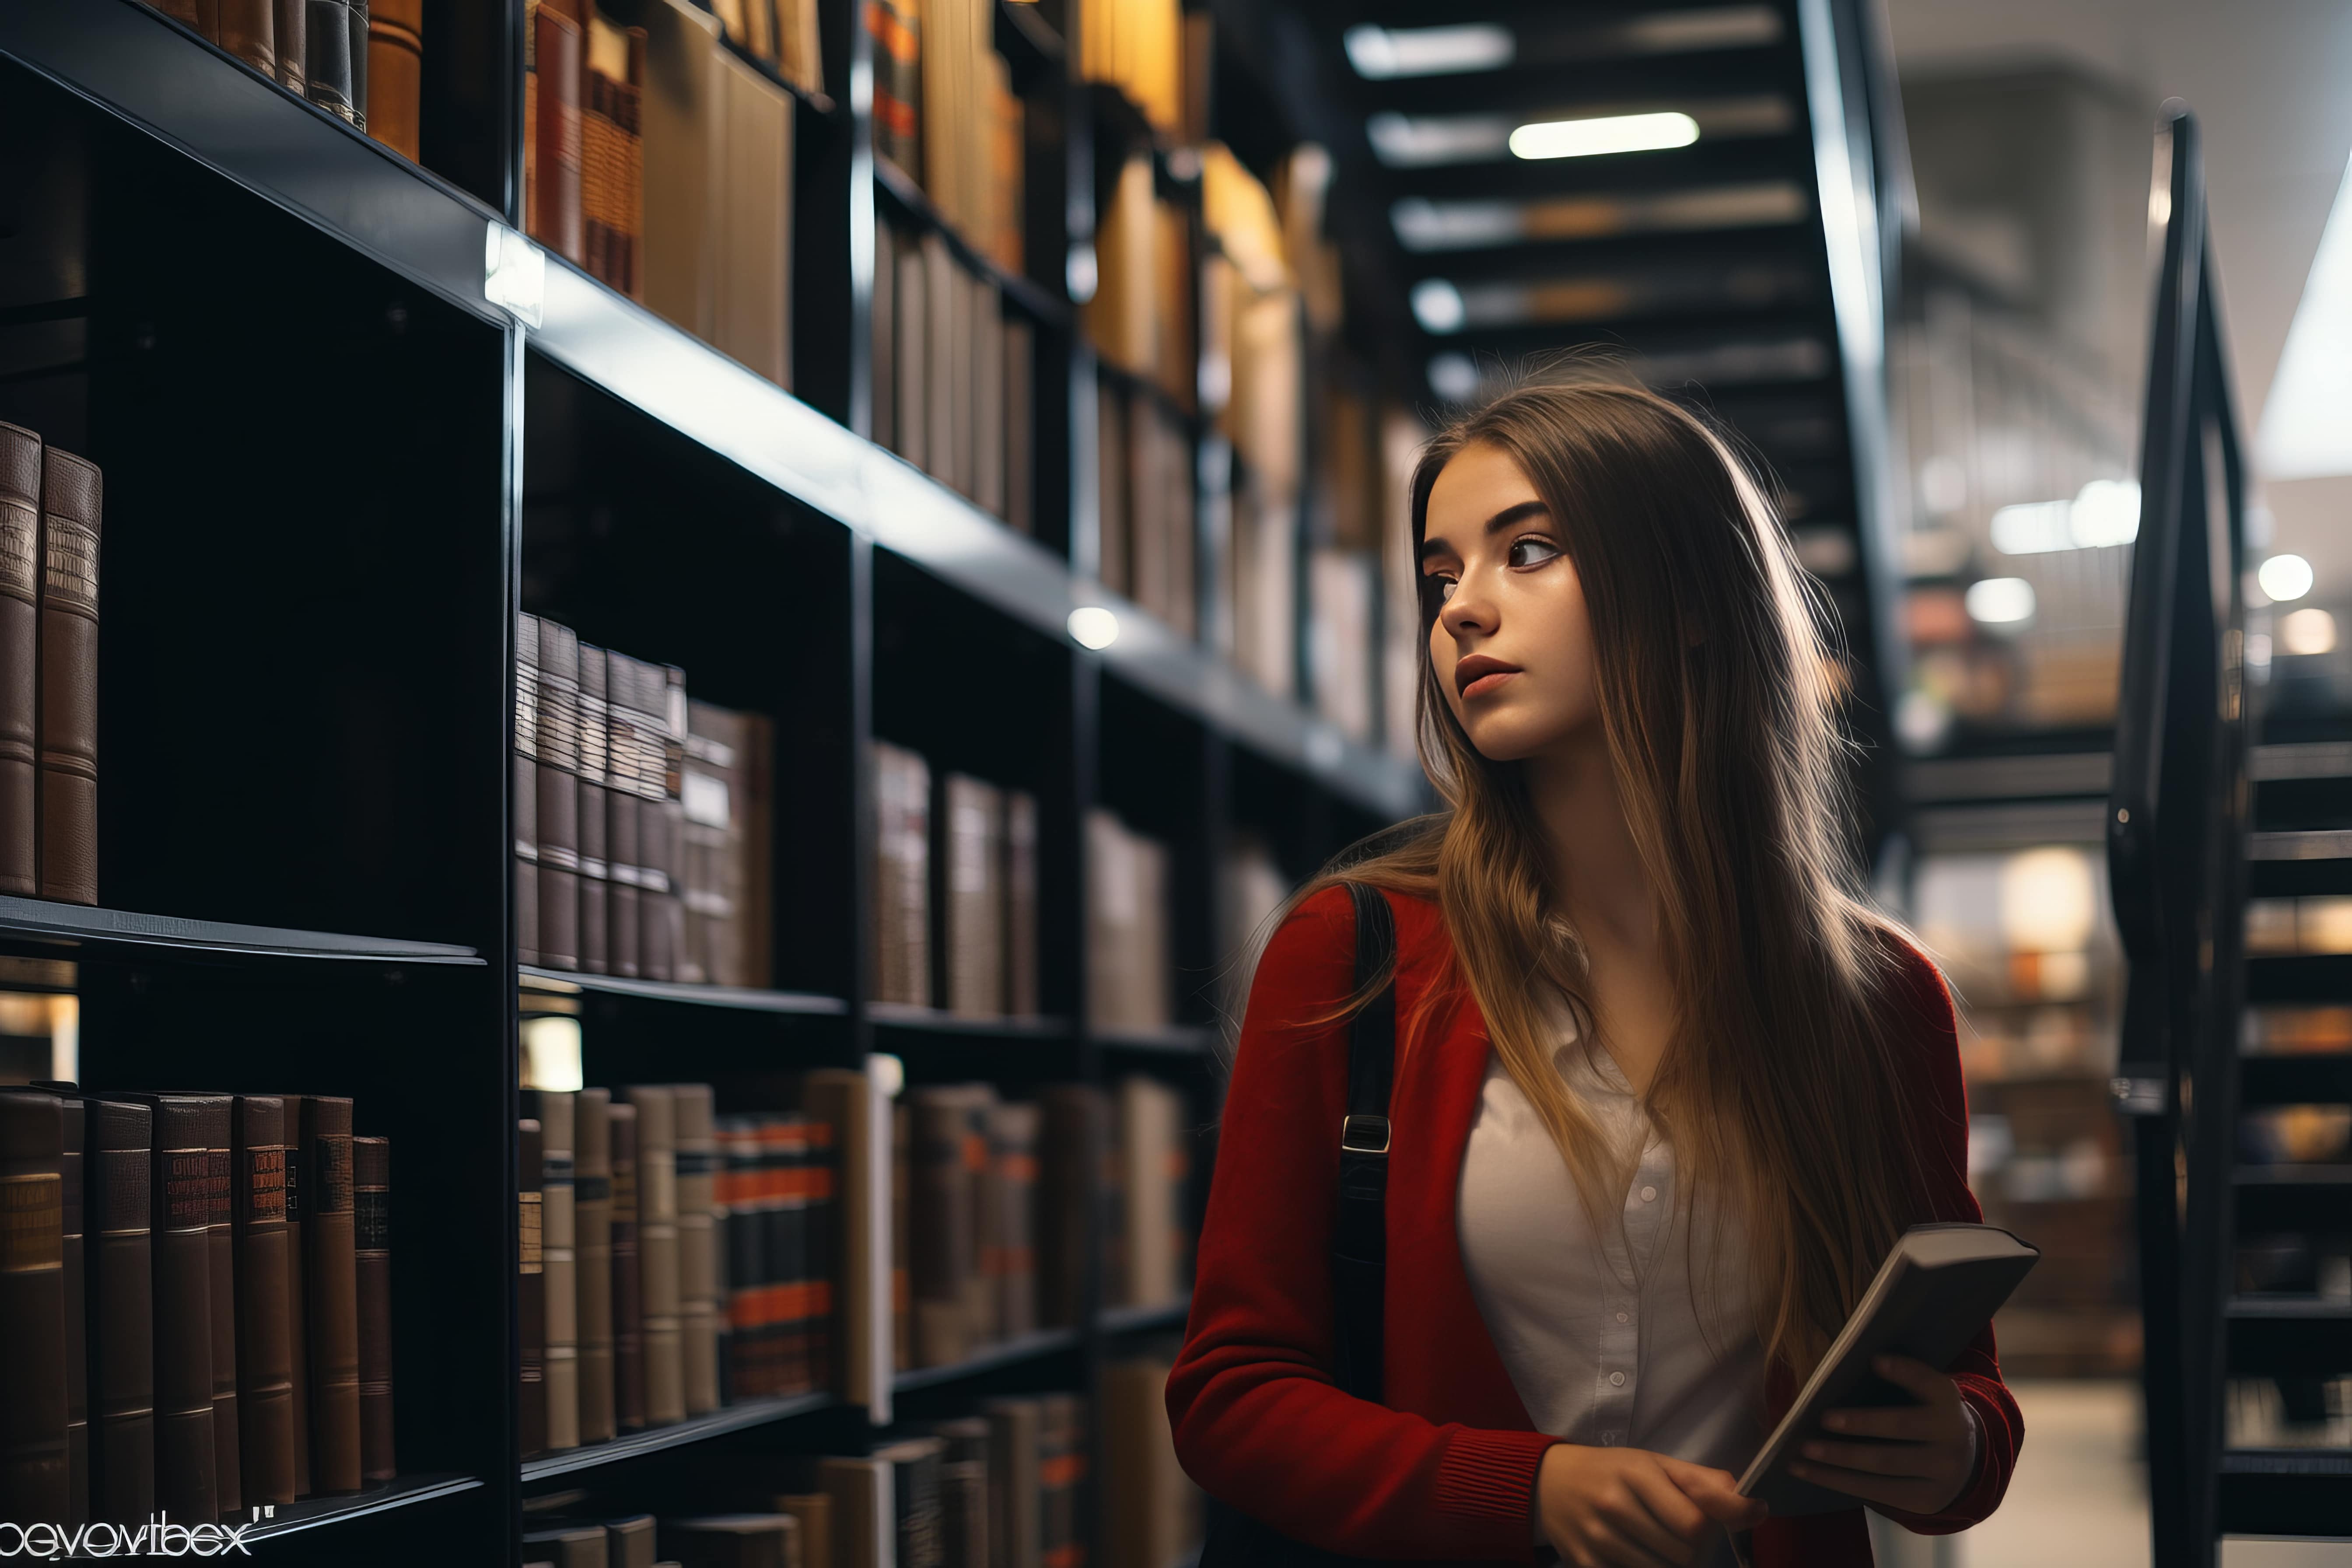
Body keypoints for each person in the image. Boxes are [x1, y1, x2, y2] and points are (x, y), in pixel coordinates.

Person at [1165, 382, 2021, 1568]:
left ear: (1690, 599)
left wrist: (1959, 1449)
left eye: (1525, 552)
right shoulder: (1355, 950)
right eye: (1441, 574)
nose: (1462, 609)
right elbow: (1228, 1396)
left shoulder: (1877, 1001)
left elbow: (1960, 1396)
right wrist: (1526, 1492)